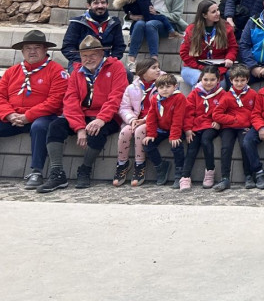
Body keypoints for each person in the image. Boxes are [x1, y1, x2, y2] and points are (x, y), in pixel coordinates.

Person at [37, 36, 128, 192]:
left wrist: (101, 119)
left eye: (93, 54)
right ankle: (57, 173)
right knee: (55, 126)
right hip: (82, 115)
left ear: (101, 54)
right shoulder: (76, 71)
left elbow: (117, 96)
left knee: (97, 132)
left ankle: (85, 168)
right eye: (85, 55)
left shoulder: (116, 67)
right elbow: (70, 101)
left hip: (108, 115)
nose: (88, 59)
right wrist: (79, 128)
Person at [0, 30, 67, 190]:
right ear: (22, 51)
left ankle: (36, 171)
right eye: (28, 48)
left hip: (43, 117)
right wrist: (9, 114)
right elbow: (1, 96)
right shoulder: (11, 72)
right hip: (14, 117)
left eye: (37, 47)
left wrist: (28, 116)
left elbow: (55, 100)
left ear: (45, 50)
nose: (32, 51)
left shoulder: (57, 71)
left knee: (40, 127)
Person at [113, 57, 161, 187]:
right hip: (135, 119)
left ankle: (140, 164)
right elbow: (124, 107)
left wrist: (144, 120)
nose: (158, 70)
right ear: (143, 71)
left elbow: (161, 107)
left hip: (153, 120)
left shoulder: (162, 85)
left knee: (140, 131)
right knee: (125, 132)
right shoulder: (131, 88)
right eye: (154, 68)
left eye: (158, 67)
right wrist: (132, 119)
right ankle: (122, 164)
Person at [210, 65, 255, 191]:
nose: (239, 83)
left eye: (242, 80)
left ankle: (248, 176)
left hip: (244, 127)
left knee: (245, 145)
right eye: (236, 81)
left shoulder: (252, 94)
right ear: (231, 81)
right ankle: (225, 178)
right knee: (226, 147)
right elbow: (216, 114)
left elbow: (256, 112)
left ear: (247, 80)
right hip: (228, 127)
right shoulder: (227, 96)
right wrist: (233, 120)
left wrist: (251, 125)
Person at [179, 66, 224, 190]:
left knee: (206, 140)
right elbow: (188, 113)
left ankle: (210, 171)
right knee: (192, 146)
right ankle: (185, 176)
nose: (208, 83)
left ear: (218, 80)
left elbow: (225, 111)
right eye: (205, 79)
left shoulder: (222, 94)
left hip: (211, 125)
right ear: (201, 79)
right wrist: (188, 129)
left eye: (212, 80)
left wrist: (218, 122)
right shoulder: (195, 93)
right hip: (195, 126)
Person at [141, 73, 188, 186]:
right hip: (161, 129)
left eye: (168, 86)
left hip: (176, 129)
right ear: (157, 88)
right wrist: (151, 134)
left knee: (176, 145)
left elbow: (178, 118)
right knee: (148, 144)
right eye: (161, 87)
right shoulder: (155, 99)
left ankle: (179, 171)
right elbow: (151, 117)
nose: (165, 90)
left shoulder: (179, 97)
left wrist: (175, 136)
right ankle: (160, 166)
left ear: (175, 86)